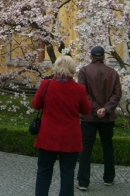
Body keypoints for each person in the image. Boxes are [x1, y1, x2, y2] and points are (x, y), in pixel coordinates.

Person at [32, 56, 92, 196]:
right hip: (70, 138)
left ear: (56, 68)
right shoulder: (79, 89)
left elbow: (36, 105)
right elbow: (86, 110)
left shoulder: (46, 85)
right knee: (67, 173)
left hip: (48, 136)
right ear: (72, 69)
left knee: (44, 171)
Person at [77, 46, 122, 191]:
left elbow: (84, 94)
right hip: (107, 118)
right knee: (108, 147)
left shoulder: (84, 71)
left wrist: (96, 109)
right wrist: (106, 109)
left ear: (91, 57)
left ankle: (83, 181)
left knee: (85, 149)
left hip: (89, 117)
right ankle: (109, 178)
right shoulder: (113, 72)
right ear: (103, 57)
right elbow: (117, 94)